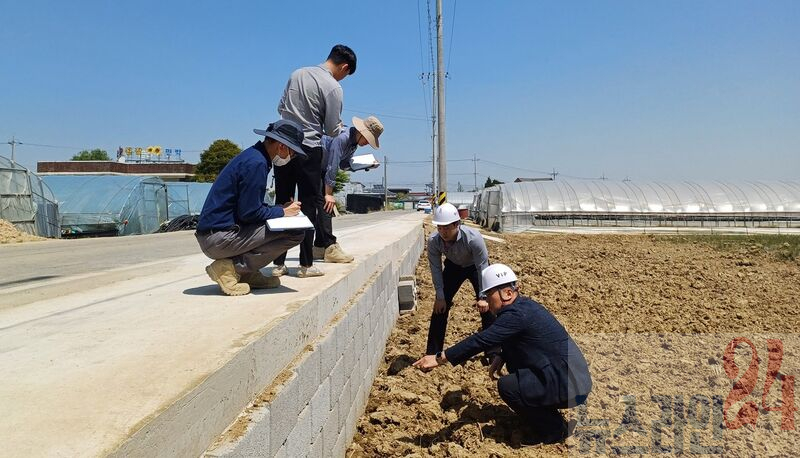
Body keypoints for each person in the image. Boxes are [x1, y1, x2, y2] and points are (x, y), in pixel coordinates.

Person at [413, 264, 593, 443]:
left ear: (507, 293)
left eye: (488, 295)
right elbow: (518, 338)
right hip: (571, 378)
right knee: (515, 369)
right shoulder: (524, 307)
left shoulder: (516, 315)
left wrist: (440, 357)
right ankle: (547, 415)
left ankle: (554, 430)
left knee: (508, 386)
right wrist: (501, 356)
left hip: (569, 384)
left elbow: (480, 340)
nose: (485, 301)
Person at [273, 44, 357, 278]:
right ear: (344, 67)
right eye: (346, 74)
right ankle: (306, 265)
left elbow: (280, 107)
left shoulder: (297, 74)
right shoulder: (333, 87)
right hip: (309, 148)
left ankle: (278, 263)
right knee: (308, 206)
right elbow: (331, 129)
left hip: (283, 145)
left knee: (283, 203)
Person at [195, 120, 306, 296]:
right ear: (282, 147)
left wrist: (280, 209)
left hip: (215, 234)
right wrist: (282, 212)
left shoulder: (254, 157)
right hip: (218, 238)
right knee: (296, 232)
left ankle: (247, 273)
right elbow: (250, 213)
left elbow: (249, 206)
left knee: (283, 224)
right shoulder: (257, 163)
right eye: (292, 153)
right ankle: (230, 269)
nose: (291, 158)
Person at [425, 203, 495, 357]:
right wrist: (440, 296)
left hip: (475, 266)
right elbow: (436, 268)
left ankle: (493, 352)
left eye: (447, 227)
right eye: (440, 227)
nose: (443, 232)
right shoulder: (434, 241)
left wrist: (483, 297)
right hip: (453, 267)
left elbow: (483, 266)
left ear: (457, 224)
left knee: (489, 306)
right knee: (440, 307)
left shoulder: (473, 238)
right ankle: (432, 353)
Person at [312, 115, 384, 263]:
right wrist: (328, 193)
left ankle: (319, 246)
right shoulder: (342, 138)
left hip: (323, 169)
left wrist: (366, 165)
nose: (367, 143)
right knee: (326, 205)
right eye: (368, 139)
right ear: (362, 133)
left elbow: (343, 164)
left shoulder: (353, 143)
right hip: (314, 167)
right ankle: (330, 247)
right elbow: (332, 165)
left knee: (323, 206)